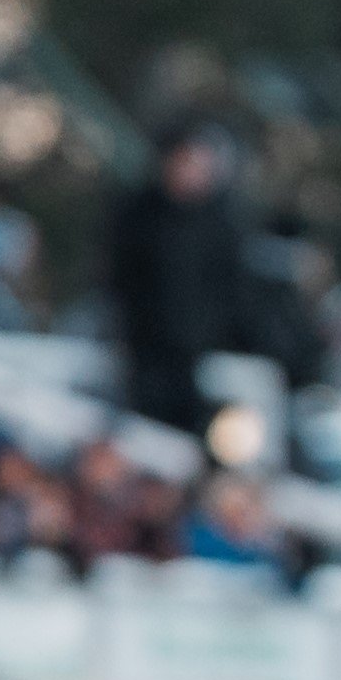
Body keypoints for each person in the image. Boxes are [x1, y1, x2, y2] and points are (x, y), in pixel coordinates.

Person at [110, 123, 253, 442]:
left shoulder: (224, 225)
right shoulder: (138, 216)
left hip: (202, 359)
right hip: (145, 355)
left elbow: (233, 292)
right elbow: (121, 279)